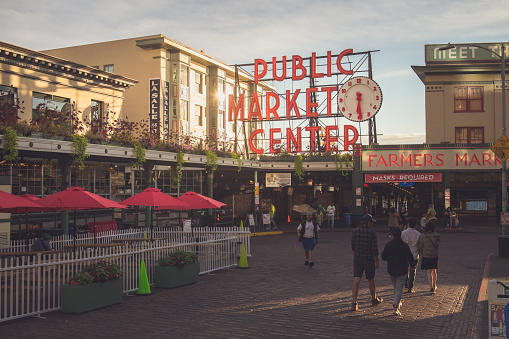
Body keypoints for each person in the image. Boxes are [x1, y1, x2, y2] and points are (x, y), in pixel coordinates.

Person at [351, 214, 383, 311]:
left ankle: (354, 302)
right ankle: (374, 298)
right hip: (368, 259)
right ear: (368, 222)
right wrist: (377, 261)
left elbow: (353, 245)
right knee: (371, 280)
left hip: (358, 257)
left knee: (356, 279)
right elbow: (375, 250)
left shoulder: (355, 231)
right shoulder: (372, 233)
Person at [381, 227, 414, 316]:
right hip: (402, 269)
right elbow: (410, 257)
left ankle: (397, 302)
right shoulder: (404, 245)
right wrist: (412, 266)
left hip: (391, 269)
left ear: (392, 235)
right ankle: (395, 306)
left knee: (396, 287)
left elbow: (383, 256)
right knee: (399, 288)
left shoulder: (389, 245)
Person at [418, 220, 440, 295]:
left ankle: (431, 287)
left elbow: (420, 246)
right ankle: (434, 285)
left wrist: (420, 253)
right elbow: (437, 244)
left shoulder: (423, 236)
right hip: (434, 255)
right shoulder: (436, 235)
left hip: (426, 255)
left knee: (428, 271)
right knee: (434, 270)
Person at [401, 218, 421, 293]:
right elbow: (419, 245)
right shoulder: (418, 234)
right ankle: (410, 286)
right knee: (413, 270)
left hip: (405, 254)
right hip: (414, 254)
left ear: (408, 224)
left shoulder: (403, 233)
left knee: (406, 269)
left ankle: (406, 282)